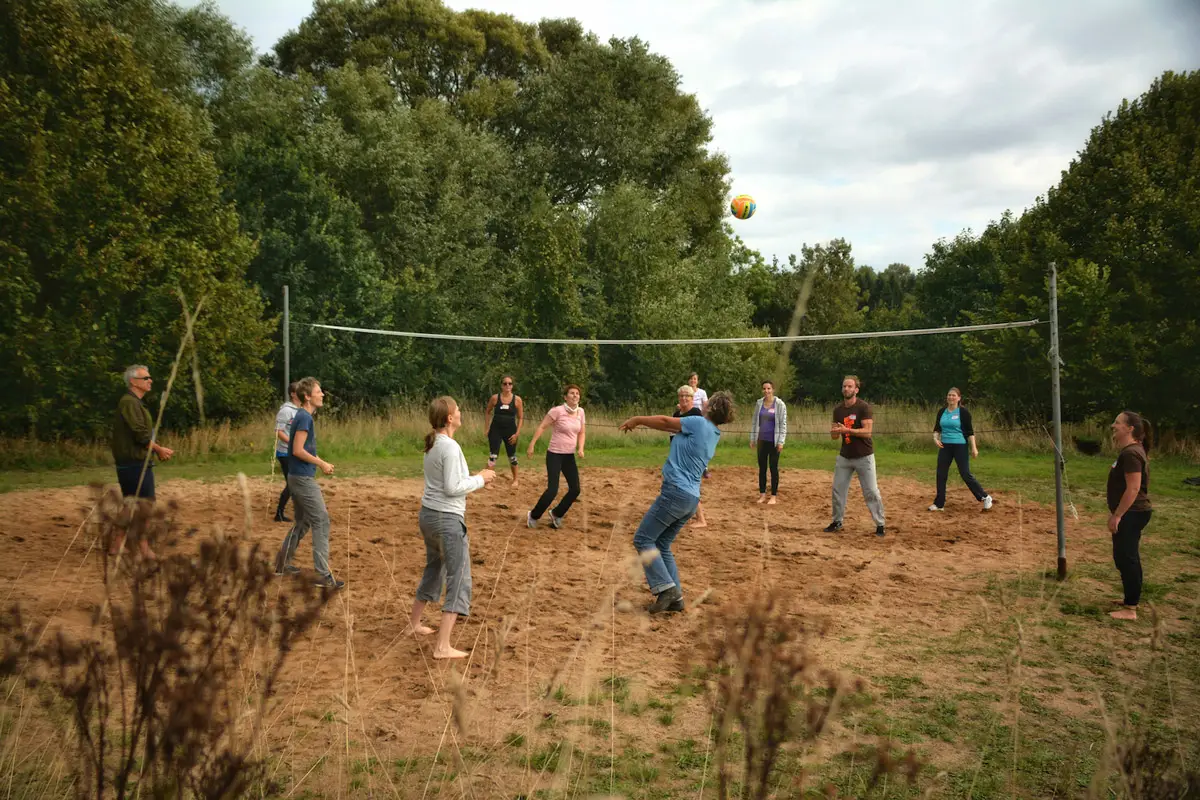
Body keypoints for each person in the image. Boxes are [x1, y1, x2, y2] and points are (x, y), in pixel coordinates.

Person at [619, 391, 734, 614]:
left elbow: (664, 421)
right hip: (690, 499)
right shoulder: (712, 431)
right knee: (661, 545)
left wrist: (638, 419)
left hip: (676, 492)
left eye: (706, 402)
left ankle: (666, 589)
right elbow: (669, 427)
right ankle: (677, 598)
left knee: (643, 539)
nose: (703, 404)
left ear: (710, 409)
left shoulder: (699, 423)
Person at [409, 397, 496, 658]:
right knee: (458, 577)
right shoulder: (449, 446)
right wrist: (481, 479)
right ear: (449, 418)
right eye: (457, 410)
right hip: (446, 519)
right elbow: (452, 488)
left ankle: (413, 624)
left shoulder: (435, 443)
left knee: (435, 568)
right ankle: (443, 647)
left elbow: (453, 481)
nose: (460, 413)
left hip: (429, 516)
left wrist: (478, 478)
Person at [274, 377, 343, 589]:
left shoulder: (303, 417)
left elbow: (301, 448)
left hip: (298, 476)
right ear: (307, 396)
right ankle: (323, 575)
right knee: (321, 520)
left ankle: (281, 564)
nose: (322, 394)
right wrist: (321, 463)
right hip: (302, 479)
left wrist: (317, 460)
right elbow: (297, 450)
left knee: (304, 522)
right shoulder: (304, 418)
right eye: (318, 391)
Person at [110, 364, 174, 559]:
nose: (150, 381)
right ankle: (144, 547)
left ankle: (117, 545)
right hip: (134, 463)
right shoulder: (129, 403)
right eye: (145, 378)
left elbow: (142, 434)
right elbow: (140, 434)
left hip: (135, 462)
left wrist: (156, 448)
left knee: (131, 505)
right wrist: (159, 449)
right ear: (133, 382)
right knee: (144, 506)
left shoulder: (135, 403)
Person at [826, 375, 886, 537]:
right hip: (845, 456)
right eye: (844, 386)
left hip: (864, 456)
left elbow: (867, 432)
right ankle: (837, 521)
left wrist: (848, 430)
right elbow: (834, 436)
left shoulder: (863, 408)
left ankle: (880, 524)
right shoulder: (838, 410)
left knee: (871, 491)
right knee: (837, 490)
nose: (846, 389)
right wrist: (834, 432)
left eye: (850, 386)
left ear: (856, 390)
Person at [1107, 411, 1153, 621]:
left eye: (1117, 423)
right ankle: (1130, 599)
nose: (1113, 426)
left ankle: (1130, 609)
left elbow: (1133, 489)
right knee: (1125, 557)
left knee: (1127, 558)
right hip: (1133, 513)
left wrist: (1117, 515)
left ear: (1130, 428)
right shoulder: (1131, 451)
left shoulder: (1131, 454)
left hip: (1132, 513)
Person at [526, 384, 586, 529]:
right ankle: (533, 516)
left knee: (575, 489)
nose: (575, 396)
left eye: (577, 394)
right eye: (572, 393)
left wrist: (581, 448)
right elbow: (542, 426)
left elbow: (582, 432)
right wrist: (532, 444)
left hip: (569, 456)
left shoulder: (581, 412)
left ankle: (556, 514)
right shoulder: (557, 411)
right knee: (553, 490)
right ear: (565, 397)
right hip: (554, 454)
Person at [928, 387, 994, 512]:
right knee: (941, 474)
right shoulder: (942, 412)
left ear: (959, 398)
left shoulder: (963, 412)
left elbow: (970, 432)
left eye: (953, 395)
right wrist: (935, 439)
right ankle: (939, 504)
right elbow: (937, 429)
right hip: (945, 446)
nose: (951, 397)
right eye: (949, 395)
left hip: (960, 446)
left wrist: (974, 448)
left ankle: (985, 497)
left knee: (965, 474)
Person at [672, 385, 708, 528]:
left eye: (687, 395)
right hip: (678, 456)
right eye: (681, 395)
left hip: (692, 457)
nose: (684, 398)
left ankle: (701, 519)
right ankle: (683, 515)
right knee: (677, 486)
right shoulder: (676, 415)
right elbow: (672, 435)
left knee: (689, 487)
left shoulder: (696, 413)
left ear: (693, 398)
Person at [749, 380, 787, 505]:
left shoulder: (780, 404)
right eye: (764, 389)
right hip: (761, 441)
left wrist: (781, 441)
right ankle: (762, 494)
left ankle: (773, 496)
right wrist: (753, 438)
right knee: (762, 468)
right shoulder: (759, 403)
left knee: (773, 468)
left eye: (769, 388)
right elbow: (755, 421)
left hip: (774, 442)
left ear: (773, 390)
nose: (766, 391)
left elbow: (783, 425)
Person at [484, 376, 524, 488]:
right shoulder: (495, 398)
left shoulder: (517, 400)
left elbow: (520, 417)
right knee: (493, 455)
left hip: (510, 431)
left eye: (510, 383)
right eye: (505, 383)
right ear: (501, 385)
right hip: (496, 430)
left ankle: (515, 480)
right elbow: (487, 412)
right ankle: (488, 481)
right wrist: (486, 428)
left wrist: (517, 433)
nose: (507, 386)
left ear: (512, 385)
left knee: (512, 456)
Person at [273, 382, 300, 522]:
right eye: (299, 390)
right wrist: (294, 443)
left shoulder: (300, 410)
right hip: (285, 453)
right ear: (293, 394)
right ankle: (279, 514)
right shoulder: (286, 411)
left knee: (297, 482)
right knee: (292, 484)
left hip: (296, 452)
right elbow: (279, 432)